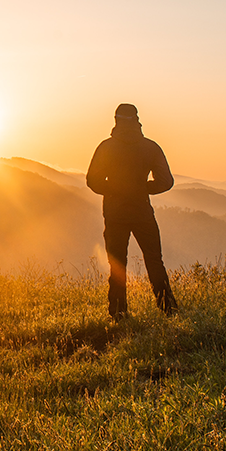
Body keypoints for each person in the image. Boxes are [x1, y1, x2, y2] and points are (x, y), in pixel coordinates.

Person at [86, 103, 178, 318]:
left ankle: (118, 313)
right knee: (154, 260)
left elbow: (93, 181)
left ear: (116, 120)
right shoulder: (150, 147)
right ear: (137, 120)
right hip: (143, 212)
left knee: (117, 264)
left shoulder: (106, 147)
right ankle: (169, 309)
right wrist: (142, 188)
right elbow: (166, 181)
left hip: (115, 214)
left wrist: (115, 189)